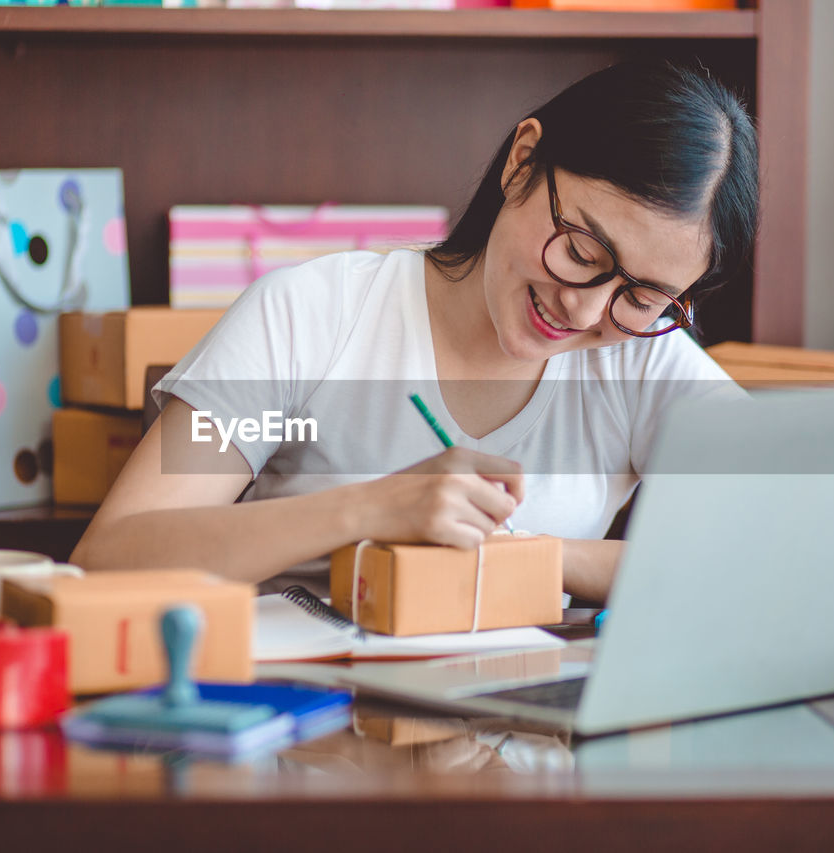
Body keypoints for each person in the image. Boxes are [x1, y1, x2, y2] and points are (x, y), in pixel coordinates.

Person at [71, 61, 758, 601]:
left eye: (641, 295)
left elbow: (776, 557)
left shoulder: (643, 363)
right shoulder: (310, 316)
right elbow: (109, 557)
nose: (584, 312)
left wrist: (540, 557)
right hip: (305, 739)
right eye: (580, 252)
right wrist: (369, 508)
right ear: (522, 162)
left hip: (517, 751)